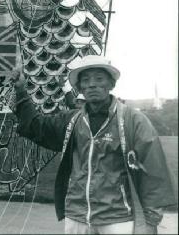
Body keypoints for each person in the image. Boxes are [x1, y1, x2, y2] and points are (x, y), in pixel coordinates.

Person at [11, 55, 176, 234]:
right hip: (77, 217)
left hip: (118, 218)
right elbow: (36, 126)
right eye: (86, 80)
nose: (92, 84)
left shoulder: (134, 121)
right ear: (80, 87)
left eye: (99, 78)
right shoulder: (72, 120)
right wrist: (21, 90)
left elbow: (154, 172)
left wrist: (150, 222)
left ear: (111, 84)